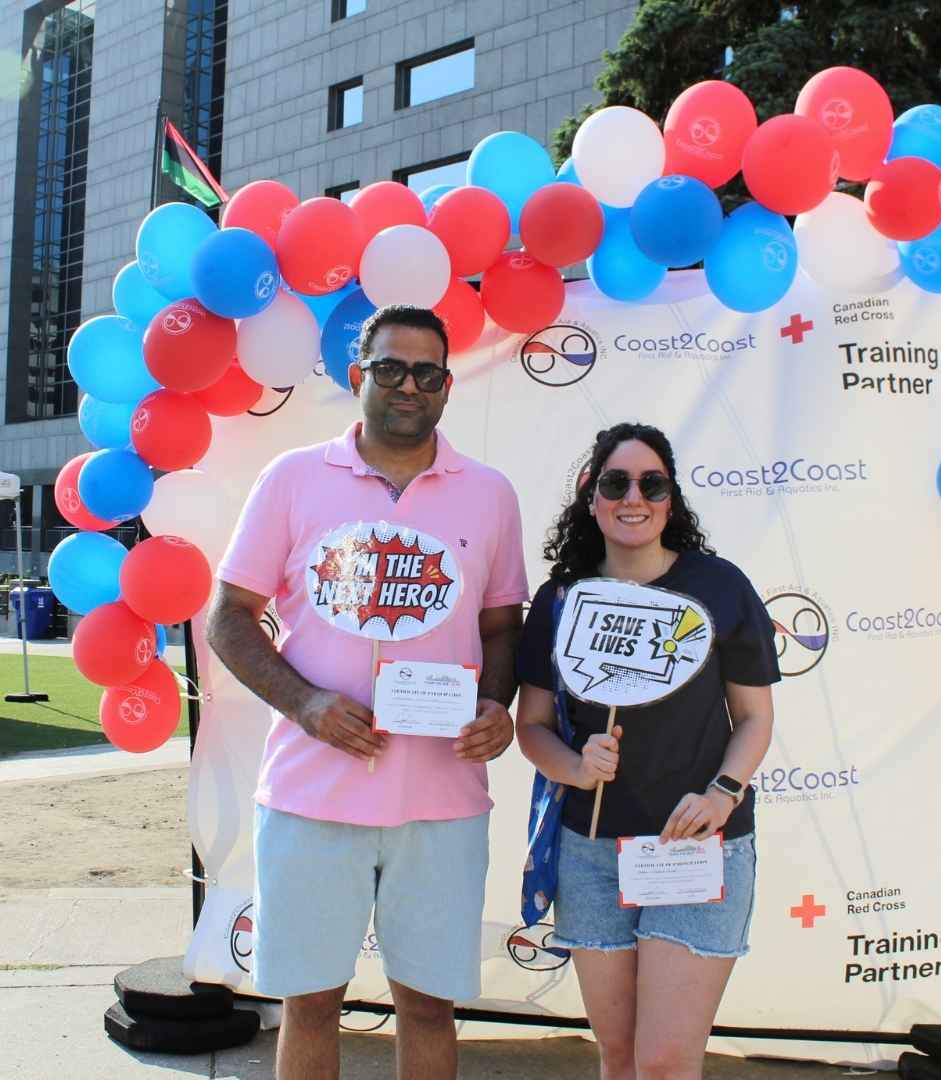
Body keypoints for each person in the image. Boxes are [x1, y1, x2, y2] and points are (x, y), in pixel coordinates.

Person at [206, 305, 528, 1080]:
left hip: (443, 801)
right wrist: (306, 704)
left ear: (446, 387)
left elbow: (501, 628)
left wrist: (496, 705)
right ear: (357, 376)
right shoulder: (292, 479)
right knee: (311, 1005)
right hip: (311, 797)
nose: (408, 385)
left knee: (430, 1007)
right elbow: (227, 619)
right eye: (389, 368)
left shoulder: (489, 493)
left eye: (425, 372)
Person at [515, 422, 778, 1080]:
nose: (633, 497)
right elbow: (532, 726)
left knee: (663, 1062)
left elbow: (754, 718)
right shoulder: (560, 601)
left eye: (651, 484)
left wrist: (723, 793)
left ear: (670, 499)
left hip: (693, 847)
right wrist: (576, 767)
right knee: (620, 1057)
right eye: (616, 482)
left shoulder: (719, 587)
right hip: (591, 855)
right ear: (592, 498)